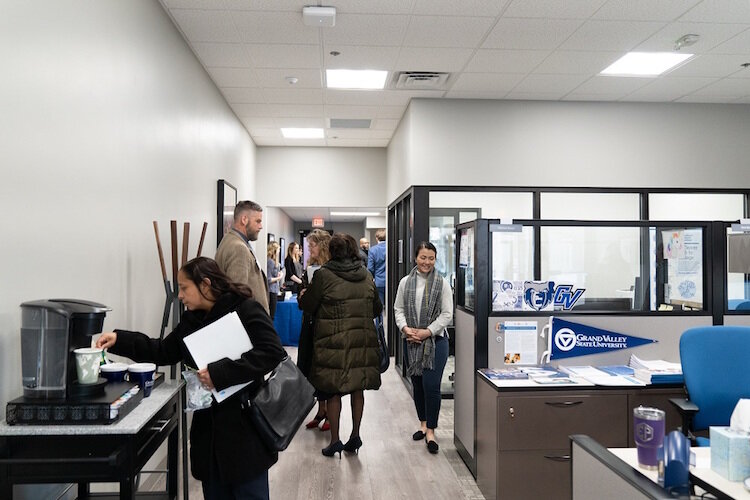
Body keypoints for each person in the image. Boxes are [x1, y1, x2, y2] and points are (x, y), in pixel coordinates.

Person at [96, 257, 285, 500]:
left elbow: (271, 352)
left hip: (245, 432)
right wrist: (119, 339)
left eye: (184, 288)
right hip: (209, 435)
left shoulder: (245, 308)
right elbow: (163, 351)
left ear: (205, 284)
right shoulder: (191, 320)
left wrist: (220, 374)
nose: (180, 295)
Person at [298, 233, 383, 458]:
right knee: (357, 388)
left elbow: (308, 305)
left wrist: (303, 296)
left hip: (333, 342)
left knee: (333, 390)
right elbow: (377, 308)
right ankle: (355, 435)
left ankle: (335, 440)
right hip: (362, 342)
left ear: (333, 251)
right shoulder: (365, 275)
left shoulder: (324, 275)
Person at [393, 241, 453, 455]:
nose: (427, 262)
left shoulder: (442, 283)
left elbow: (447, 314)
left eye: (431, 258)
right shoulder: (405, 282)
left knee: (431, 385)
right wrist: (406, 328)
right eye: (423, 257)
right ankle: (422, 423)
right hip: (411, 340)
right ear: (415, 258)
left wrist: (427, 331)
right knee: (417, 384)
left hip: (436, 342)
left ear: (435, 260)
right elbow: (398, 309)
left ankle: (431, 431)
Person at [297, 229, 331, 433]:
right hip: (309, 323)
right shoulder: (309, 267)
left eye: (312, 245)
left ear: (323, 246)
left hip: (324, 325)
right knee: (310, 366)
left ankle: (327, 413)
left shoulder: (330, 270)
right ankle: (320, 411)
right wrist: (303, 294)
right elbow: (303, 299)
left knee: (323, 369)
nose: (309, 249)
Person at [215, 200, 269, 315]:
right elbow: (237, 296)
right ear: (244, 220)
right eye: (258, 221)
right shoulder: (238, 248)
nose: (261, 226)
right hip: (249, 323)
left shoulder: (229, 240)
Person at [367, 229, 386, 305]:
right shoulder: (392, 248)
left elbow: (370, 268)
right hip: (391, 281)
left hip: (379, 281)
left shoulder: (373, 250)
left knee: (379, 305)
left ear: (376, 238)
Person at [266, 241, 282, 320]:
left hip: (274, 290)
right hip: (271, 291)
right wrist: (279, 278)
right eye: (278, 250)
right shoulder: (270, 262)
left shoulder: (273, 262)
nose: (279, 252)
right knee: (271, 316)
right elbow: (268, 279)